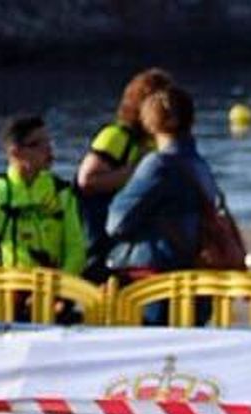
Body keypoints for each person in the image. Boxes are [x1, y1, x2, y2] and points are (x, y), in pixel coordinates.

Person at [106, 85, 226, 324]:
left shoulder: (158, 165)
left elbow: (116, 222)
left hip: (153, 278)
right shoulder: (199, 165)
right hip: (193, 273)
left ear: (151, 122)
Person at [75, 67, 174, 283]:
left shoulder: (153, 142)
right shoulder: (116, 136)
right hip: (103, 237)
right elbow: (87, 180)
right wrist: (135, 174)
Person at [0, 115, 85, 277]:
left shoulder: (61, 192)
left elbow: (75, 248)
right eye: (38, 144)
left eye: (48, 142)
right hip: (5, 292)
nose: (48, 149)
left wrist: (59, 290)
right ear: (15, 152)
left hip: (54, 290)